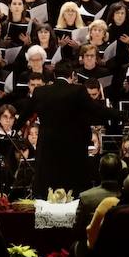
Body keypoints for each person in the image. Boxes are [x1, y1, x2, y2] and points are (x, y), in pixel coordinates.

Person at [16, 62, 104, 196]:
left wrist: (14, 127)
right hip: (71, 149)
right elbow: (98, 110)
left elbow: (25, 114)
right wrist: (127, 115)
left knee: (46, 189)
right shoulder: (78, 90)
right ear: (72, 75)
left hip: (47, 148)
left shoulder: (40, 91)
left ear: (55, 75)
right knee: (71, 188)